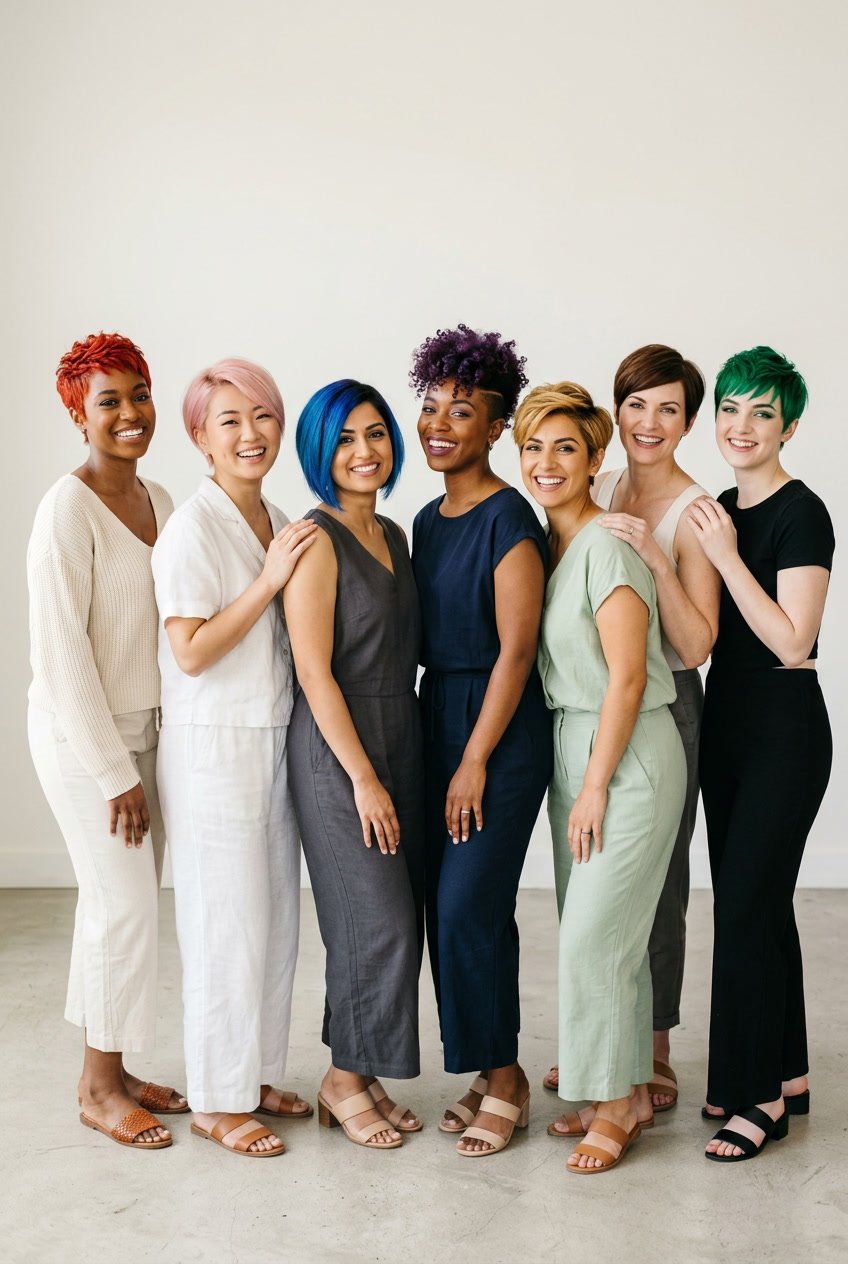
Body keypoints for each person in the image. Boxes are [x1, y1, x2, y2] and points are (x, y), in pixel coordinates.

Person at [542, 345, 719, 1113]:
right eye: (638, 405)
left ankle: (652, 1051)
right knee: (601, 896)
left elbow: (696, 644)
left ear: (687, 421)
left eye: (669, 409)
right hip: (594, 694)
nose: (651, 422)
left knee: (656, 883)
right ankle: (607, 1045)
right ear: (617, 417)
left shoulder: (692, 509)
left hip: (664, 700)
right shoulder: (598, 481)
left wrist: (654, 551)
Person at [517, 381, 686, 1174]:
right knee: (599, 936)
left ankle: (619, 1102)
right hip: (574, 746)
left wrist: (593, 785)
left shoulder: (608, 545)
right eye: (534, 447)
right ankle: (614, 1086)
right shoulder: (558, 545)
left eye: (565, 448)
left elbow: (625, 678)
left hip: (628, 756)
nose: (546, 464)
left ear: (595, 459)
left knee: (597, 938)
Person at [153, 358, 316, 1158]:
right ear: (199, 436)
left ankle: (253, 1074)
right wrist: (270, 580)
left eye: (263, 418)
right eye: (230, 421)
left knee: (275, 917)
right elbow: (190, 652)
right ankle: (217, 1100)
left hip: (271, 733)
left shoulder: (274, 515)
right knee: (224, 924)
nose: (250, 435)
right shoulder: (191, 528)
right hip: (213, 744)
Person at [28, 331, 180, 1151]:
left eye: (139, 394)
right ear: (79, 416)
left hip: (144, 734)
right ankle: (96, 1085)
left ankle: (114, 1070)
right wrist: (114, 771)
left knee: (114, 905)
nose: (129, 413)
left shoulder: (157, 494)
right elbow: (61, 657)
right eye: (108, 402)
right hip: (85, 742)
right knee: (124, 909)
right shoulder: (67, 508)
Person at [689, 346, 833, 1163]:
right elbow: (708, 636)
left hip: (785, 728)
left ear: (790, 426)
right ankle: (788, 1069)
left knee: (744, 907)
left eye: (762, 413)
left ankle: (758, 1101)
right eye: (731, 409)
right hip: (728, 725)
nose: (741, 428)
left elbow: (791, 640)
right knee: (762, 904)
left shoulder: (800, 513)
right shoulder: (716, 509)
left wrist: (723, 557)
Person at [410, 324, 551, 1157]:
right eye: (430, 407)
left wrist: (471, 761)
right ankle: (483, 1067)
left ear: (496, 426)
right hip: (438, 715)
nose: (438, 424)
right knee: (449, 908)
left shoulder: (511, 520)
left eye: (460, 412)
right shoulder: (426, 520)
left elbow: (518, 652)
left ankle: (508, 1080)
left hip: (497, 728)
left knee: (470, 906)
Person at [284, 379, 424, 1151]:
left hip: (399, 725)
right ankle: (341, 1079)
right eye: (344, 440)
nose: (364, 452)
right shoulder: (316, 541)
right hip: (339, 747)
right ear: (319, 452)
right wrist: (364, 778)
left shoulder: (394, 535)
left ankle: (359, 1070)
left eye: (375, 434)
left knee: (377, 920)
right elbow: (314, 671)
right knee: (378, 920)